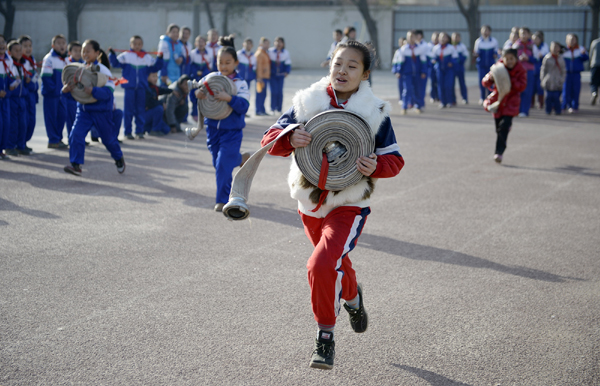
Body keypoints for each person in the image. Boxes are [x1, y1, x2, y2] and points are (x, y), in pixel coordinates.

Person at [260, 40, 404, 370]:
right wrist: (290, 135)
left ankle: (325, 336)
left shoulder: (375, 111)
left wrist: (376, 166)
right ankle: (353, 299)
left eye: (352, 66)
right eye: (338, 63)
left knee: (321, 265)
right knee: (334, 262)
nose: (342, 70)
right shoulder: (307, 101)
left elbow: (395, 160)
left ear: (365, 74)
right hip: (309, 201)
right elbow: (269, 139)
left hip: (348, 204)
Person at [194, 35, 251, 212]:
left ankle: (223, 200)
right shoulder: (211, 78)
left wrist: (230, 99)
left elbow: (244, 106)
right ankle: (240, 159)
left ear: (235, 63)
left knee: (222, 166)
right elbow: (198, 92)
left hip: (232, 131)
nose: (223, 66)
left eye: (228, 62)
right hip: (213, 130)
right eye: (220, 62)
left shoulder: (240, 83)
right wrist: (198, 95)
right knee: (218, 164)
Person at [62, 40, 125, 176]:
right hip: (84, 111)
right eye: (83, 51)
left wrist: (94, 91)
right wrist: (66, 90)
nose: (84, 54)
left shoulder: (104, 71)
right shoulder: (79, 69)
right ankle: (76, 165)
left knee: (108, 140)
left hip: (102, 112)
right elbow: (75, 93)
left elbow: (108, 92)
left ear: (97, 53)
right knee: (75, 135)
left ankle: (118, 158)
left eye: (87, 51)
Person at [109, 35, 164, 139]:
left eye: (139, 44)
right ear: (130, 45)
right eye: (135, 44)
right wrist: (112, 54)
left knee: (140, 110)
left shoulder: (146, 57)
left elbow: (156, 67)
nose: (137, 46)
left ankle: (139, 131)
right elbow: (115, 63)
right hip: (129, 88)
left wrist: (160, 59)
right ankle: (127, 132)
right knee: (128, 111)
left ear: (142, 45)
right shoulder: (126, 56)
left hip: (141, 88)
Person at [482, 48, 526, 163]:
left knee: (503, 127)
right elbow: (485, 82)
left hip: (511, 103)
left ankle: (499, 152)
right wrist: (491, 78)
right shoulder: (498, 68)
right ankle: (506, 128)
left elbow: (522, 86)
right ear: (503, 59)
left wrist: (510, 80)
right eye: (507, 59)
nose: (509, 61)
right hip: (499, 102)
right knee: (498, 129)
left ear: (516, 59)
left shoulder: (520, 70)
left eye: (512, 59)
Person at [6, 40, 34, 156]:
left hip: (22, 98)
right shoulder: (8, 64)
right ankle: (10, 146)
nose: (18, 52)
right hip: (12, 98)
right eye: (15, 50)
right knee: (13, 124)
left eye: (19, 50)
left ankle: (21, 145)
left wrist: (27, 85)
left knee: (23, 123)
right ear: (9, 52)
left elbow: (27, 82)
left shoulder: (23, 65)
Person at [41, 34, 68, 149]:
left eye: (63, 43)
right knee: (51, 117)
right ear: (53, 45)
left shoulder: (66, 59)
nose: (62, 45)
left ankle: (59, 138)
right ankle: (52, 139)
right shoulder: (49, 58)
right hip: (51, 95)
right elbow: (46, 77)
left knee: (61, 116)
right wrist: (54, 90)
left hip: (63, 95)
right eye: (59, 43)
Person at [393, 31, 425, 114]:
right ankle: (404, 107)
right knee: (407, 89)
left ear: (415, 38)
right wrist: (398, 71)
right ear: (407, 38)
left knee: (417, 89)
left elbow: (423, 61)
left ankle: (418, 106)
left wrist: (423, 71)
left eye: (412, 37)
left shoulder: (419, 48)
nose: (411, 38)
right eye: (409, 37)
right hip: (407, 73)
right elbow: (400, 62)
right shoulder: (404, 49)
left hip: (417, 73)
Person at [18, 35, 39, 150]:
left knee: (31, 121)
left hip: (32, 95)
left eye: (30, 46)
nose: (28, 48)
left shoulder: (32, 60)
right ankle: (20, 144)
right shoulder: (20, 62)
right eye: (25, 46)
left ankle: (24, 142)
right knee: (23, 122)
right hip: (25, 96)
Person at [562, 33, 589, 113]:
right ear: (566, 40)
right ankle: (565, 105)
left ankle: (574, 106)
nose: (571, 41)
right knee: (566, 90)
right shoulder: (563, 50)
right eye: (569, 39)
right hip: (567, 73)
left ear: (576, 40)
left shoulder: (581, 49)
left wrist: (583, 54)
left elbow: (586, 59)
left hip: (576, 73)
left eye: (573, 39)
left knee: (576, 90)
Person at [189, 35, 212, 122]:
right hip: (195, 78)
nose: (200, 44)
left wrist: (204, 73)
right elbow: (190, 66)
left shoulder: (208, 54)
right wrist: (195, 73)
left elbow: (209, 66)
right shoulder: (193, 53)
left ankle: (203, 113)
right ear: (195, 43)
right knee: (195, 95)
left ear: (205, 43)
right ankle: (194, 113)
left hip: (204, 78)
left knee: (205, 95)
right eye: (199, 42)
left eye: (202, 42)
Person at [0, 34, 16, 159]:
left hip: (6, 98)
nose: (1, 45)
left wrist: (12, 85)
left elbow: (13, 78)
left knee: (6, 123)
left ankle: (2, 149)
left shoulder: (8, 60)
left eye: (3, 42)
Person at [513, 27, 535, 117]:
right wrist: (519, 59)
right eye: (522, 33)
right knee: (518, 91)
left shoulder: (532, 46)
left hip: (529, 71)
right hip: (518, 71)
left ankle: (525, 111)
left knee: (527, 91)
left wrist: (528, 58)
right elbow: (511, 59)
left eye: (525, 33)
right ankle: (517, 110)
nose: (524, 35)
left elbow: (537, 59)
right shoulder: (516, 45)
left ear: (529, 35)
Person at [63, 41, 83, 140]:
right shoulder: (66, 63)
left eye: (80, 51)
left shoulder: (83, 64)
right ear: (69, 52)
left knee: (79, 119)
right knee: (70, 119)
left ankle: (78, 138)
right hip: (70, 96)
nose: (78, 53)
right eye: (75, 51)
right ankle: (71, 138)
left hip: (80, 97)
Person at [474, 25, 498, 104]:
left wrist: (495, 55)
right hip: (481, 65)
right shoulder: (478, 41)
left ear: (490, 31)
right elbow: (476, 53)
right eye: (483, 30)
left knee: (491, 80)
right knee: (482, 81)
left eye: (487, 30)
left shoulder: (494, 41)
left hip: (491, 65)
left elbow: (496, 53)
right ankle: (482, 97)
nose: (485, 32)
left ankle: (490, 97)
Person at [432, 32, 457, 108]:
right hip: (439, 70)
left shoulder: (451, 48)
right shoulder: (436, 48)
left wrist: (451, 62)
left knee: (448, 85)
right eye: (441, 37)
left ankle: (449, 101)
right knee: (440, 86)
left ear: (447, 39)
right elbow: (433, 58)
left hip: (449, 70)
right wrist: (434, 61)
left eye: (444, 37)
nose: (442, 39)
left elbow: (455, 58)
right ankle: (442, 101)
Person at [540, 41, 566, 115]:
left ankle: (558, 110)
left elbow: (563, 71)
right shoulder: (547, 58)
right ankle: (548, 110)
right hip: (549, 80)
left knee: (556, 97)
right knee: (548, 97)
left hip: (557, 81)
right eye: (553, 47)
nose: (554, 49)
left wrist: (562, 79)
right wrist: (543, 80)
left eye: (556, 47)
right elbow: (543, 70)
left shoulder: (561, 59)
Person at [144, 72, 172, 136]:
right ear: (147, 77)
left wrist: (173, 90)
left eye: (156, 76)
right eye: (153, 76)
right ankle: (155, 130)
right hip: (145, 115)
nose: (156, 78)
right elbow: (150, 103)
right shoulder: (145, 88)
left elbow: (163, 90)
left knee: (166, 129)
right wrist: (161, 103)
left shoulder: (154, 87)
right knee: (159, 108)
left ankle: (149, 128)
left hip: (151, 115)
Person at [268, 36, 291, 114]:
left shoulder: (285, 53)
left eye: (280, 42)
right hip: (272, 75)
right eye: (276, 41)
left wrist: (286, 72)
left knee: (279, 92)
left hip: (281, 76)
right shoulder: (270, 51)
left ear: (283, 44)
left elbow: (288, 64)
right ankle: (272, 108)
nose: (278, 44)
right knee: (273, 92)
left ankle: (279, 108)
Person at [531, 31, 549, 109]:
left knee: (540, 87)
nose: (534, 41)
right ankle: (531, 103)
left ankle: (540, 103)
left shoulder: (544, 46)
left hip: (540, 70)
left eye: (536, 39)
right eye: (533, 39)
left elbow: (543, 55)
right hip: (532, 70)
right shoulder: (530, 46)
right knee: (532, 87)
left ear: (540, 39)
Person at [452, 32, 469, 104]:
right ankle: (453, 99)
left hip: (460, 68)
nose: (456, 38)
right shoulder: (450, 46)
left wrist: (459, 60)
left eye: (457, 37)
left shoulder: (462, 46)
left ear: (460, 38)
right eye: (454, 37)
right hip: (452, 69)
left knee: (462, 83)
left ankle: (464, 98)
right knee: (451, 84)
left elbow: (465, 56)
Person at [414, 29, 429, 109]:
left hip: (422, 70)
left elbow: (427, 59)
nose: (416, 37)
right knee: (415, 88)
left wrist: (424, 70)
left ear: (421, 35)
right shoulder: (413, 45)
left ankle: (421, 104)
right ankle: (416, 104)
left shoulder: (425, 46)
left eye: (418, 34)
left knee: (421, 88)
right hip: (414, 71)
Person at [428, 32, 439, 103]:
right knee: (432, 82)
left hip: (438, 66)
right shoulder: (428, 46)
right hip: (431, 67)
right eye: (434, 37)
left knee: (438, 82)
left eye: (437, 37)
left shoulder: (440, 46)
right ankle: (432, 96)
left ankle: (438, 96)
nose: (435, 39)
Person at [590, 36, 600, 105]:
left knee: (594, 82)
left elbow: (591, 53)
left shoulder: (595, 42)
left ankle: (594, 92)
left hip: (595, 65)